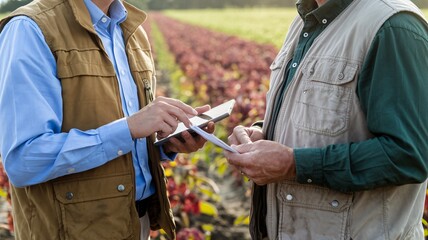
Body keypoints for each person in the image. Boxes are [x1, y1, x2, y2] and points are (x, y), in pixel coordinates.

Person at [0, 0, 214, 239]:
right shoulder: (30, 29)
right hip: (72, 230)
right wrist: (129, 129)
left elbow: (129, 138)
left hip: (135, 222)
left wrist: (166, 143)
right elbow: (24, 159)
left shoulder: (132, 31)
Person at [224, 0, 428, 239]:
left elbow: (409, 155)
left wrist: (295, 164)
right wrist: (263, 133)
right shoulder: (307, 21)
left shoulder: (392, 26)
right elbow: (321, 116)